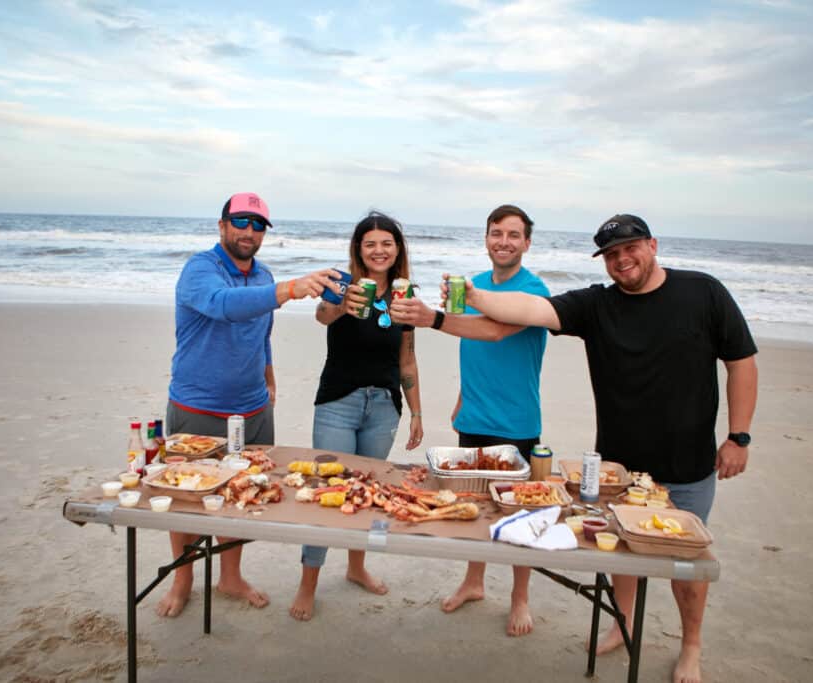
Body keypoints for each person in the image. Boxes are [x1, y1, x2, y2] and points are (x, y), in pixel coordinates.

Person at [449, 214, 758, 683]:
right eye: (612, 254)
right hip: (618, 464)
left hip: (687, 461)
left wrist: (738, 436)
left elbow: (741, 362)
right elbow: (535, 311)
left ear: (653, 245)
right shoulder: (598, 305)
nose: (622, 260)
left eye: (630, 248)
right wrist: (472, 298)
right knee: (621, 554)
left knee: (686, 566)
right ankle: (624, 623)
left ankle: (690, 647)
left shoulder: (704, 292)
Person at [157, 191, 340, 618]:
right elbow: (223, 307)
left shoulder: (264, 276)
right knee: (188, 497)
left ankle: (230, 576)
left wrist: (269, 375)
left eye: (258, 225)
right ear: (222, 226)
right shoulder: (199, 269)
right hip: (197, 407)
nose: (249, 232)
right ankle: (183, 579)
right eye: (241, 221)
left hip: (252, 409)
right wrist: (289, 289)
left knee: (244, 495)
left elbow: (261, 332)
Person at [390, 204, 549, 636]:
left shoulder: (535, 291)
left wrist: (433, 318)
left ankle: (519, 598)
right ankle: (474, 582)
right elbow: (476, 347)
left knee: (519, 513)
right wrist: (463, 397)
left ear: (527, 243)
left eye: (514, 235)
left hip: (517, 423)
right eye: (496, 233)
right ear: (486, 238)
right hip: (475, 416)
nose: (504, 241)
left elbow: (495, 330)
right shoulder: (474, 284)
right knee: (475, 507)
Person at [289, 211, 424, 622]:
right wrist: (342, 305)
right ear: (359, 249)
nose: (379, 250)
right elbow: (322, 317)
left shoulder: (404, 295)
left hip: (384, 407)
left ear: (397, 249)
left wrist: (417, 412)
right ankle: (308, 583)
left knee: (366, 492)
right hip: (338, 402)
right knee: (328, 491)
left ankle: (356, 567)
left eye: (387, 243)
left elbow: (408, 357)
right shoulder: (341, 284)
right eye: (371, 244)